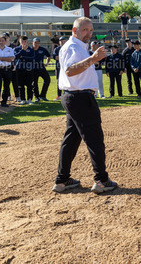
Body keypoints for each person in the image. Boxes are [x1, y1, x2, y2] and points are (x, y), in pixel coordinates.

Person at [53, 16, 117, 194]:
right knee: (94, 139)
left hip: (75, 97)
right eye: (84, 30)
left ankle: (62, 180)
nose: (89, 33)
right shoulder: (72, 47)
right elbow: (70, 70)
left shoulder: (79, 46)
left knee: (71, 139)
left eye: (91, 30)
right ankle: (101, 180)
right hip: (80, 98)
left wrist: (92, 57)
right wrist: (93, 59)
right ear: (74, 31)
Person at [14, 36, 36, 105]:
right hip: (19, 69)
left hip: (29, 69)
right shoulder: (16, 49)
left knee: (29, 85)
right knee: (20, 85)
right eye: (22, 41)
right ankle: (22, 99)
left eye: (25, 41)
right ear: (19, 41)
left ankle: (29, 99)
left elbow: (32, 58)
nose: (24, 42)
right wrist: (22, 50)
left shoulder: (31, 49)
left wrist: (22, 57)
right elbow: (15, 56)